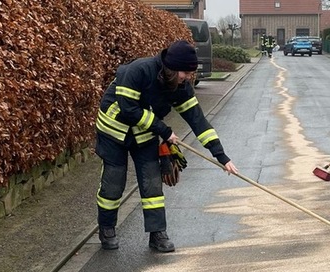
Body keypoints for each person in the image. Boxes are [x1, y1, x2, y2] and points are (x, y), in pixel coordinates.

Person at [94, 40, 238, 252]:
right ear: (172, 68)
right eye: (185, 73)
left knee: (152, 182)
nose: (188, 77)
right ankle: (107, 228)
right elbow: (128, 110)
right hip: (113, 131)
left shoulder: (180, 87)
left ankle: (157, 234)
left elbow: (198, 121)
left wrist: (221, 156)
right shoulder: (138, 71)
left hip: (144, 133)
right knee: (114, 181)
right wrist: (164, 131)